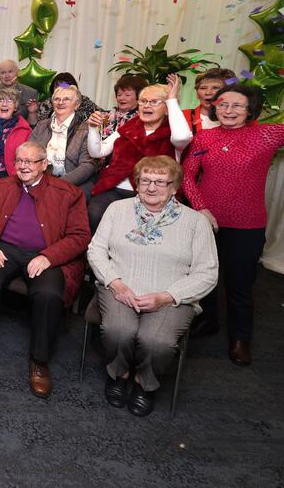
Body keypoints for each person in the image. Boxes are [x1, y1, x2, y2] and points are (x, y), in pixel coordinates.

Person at [0, 141, 90, 399]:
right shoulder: (3, 185)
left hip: (46, 253)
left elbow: (80, 236)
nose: (23, 166)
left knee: (49, 294)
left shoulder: (68, 193)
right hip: (7, 248)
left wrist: (49, 257)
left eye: (30, 161)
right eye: (19, 161)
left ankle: (39, 360)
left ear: (44, 165)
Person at [88, 156, 218, 416]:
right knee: (118, 330)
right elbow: (96, 251)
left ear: (174, 187)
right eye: (145, 180)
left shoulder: (195, 222)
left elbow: (207, 272)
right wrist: (116, 283)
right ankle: (120, 373)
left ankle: (144, 383)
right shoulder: (117, 210)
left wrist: (168, 296)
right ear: (136, 184)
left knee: (156, 341)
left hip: (170, 295)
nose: (151, 187)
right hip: (120, 286)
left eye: (160, 182)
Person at [182, 85, 284, 366]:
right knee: (206, 276)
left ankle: (240, 338)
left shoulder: (267, 134)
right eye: (223, 104)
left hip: (247, 224)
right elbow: (187, 175)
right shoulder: (205, 137)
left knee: (240, 283)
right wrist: (200, 208)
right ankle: (208, 321)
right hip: (206, 221)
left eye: (237, 106)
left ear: (251, 109)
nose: (228, 110)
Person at [86, 76, 191, 232]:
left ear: (167, 107)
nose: (146, 106)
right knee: (94, 214)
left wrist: (172, 100)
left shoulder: (174, 130)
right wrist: (93, 129)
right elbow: (97, 152)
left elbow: (182, 137)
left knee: (134, 228)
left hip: (152, 193)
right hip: (113, 188)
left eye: (154, 102)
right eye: (143, 101)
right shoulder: (129, 126)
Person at [29, 85, 99, 190]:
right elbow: (29, 153)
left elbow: (88, 166)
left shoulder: (86, 130)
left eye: (66, 99)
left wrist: (58, 184)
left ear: (77, 105)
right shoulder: (41, 125)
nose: (60, 102)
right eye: (57, 99)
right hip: (41, 178)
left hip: (73, 182)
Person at [32, 73, 103, 126]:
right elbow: (37, 124)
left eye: (63, 86)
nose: (59, 89)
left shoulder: (83, 101)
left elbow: (101, 114)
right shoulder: (47, 103)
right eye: (56, 86)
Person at [181, 68, 236, 134]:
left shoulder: (241, 118)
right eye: (203, 88)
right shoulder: (182, 116)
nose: (208, 92)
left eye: (215, 88)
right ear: (197, 94)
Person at [100, 75, 147, 139]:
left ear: (139, 97)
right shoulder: (109, 116)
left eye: (127, 95)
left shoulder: (141, 119)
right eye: (119, 95)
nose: (121, 98)